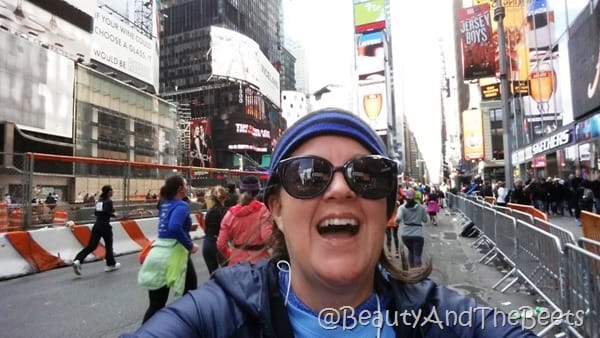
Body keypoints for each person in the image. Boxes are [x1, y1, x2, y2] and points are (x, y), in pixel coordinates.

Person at [121, 108, 537, 337]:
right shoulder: (218, 316)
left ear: (388, 209)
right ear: (276, 210)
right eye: (308, 175)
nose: (339, 190)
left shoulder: (445, 319)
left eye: (366, 174)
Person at [137, 175, 199, 324]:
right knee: (189, 294)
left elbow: (168, 227)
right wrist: (190, 245)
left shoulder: (165, 204)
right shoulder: (182, 206)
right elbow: (174, 227)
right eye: (185, 184)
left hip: (158, 252)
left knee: (156, 304)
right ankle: (184, 327)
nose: (187, 186)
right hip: (175, 253)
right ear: (180, 189)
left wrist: (187, 228)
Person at [217, 176, 272, 266]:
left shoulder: (230, 214)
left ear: (240, 191)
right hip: (260, 263)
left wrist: (231, 254)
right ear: (257, 192)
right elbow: (267, 237)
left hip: (237, 263)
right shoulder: (263, 210)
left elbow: (221, 244)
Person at [72, 185, 120, 276]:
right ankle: (110, 264)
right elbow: (106, 211)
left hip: (97, 225)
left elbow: (97, 212)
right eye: (112, 190)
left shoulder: (100, 200)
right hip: (105, 226)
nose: (113, 192)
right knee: (109, 245)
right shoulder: (109, 201)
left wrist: (111, 211)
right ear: (109, 192)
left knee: (91, 246)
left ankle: (78, 260)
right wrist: (114, 214)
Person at [396, 188, 428, 268]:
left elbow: (398, 219)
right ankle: (417, 273)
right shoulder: (421, 208)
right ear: (414, 196)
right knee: (417, 254)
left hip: (406, 235)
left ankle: (411, 271)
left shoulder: (402, 208)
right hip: (418, 234)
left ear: (406, 197)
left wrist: (397, 221)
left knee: (411, 251)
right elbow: (425, 220)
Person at [201, 185, 228, 274]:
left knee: (213, 276)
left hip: (208, 243)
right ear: (225, 197)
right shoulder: (226, 211)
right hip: (220, 243)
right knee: (228, 274)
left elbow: (206, 229)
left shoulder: (209, 212)